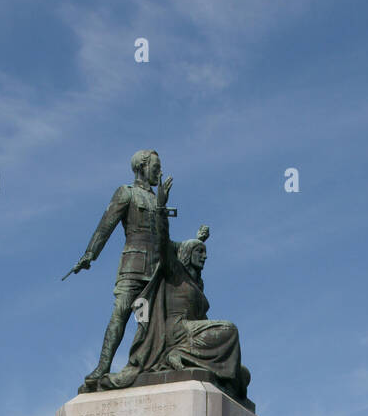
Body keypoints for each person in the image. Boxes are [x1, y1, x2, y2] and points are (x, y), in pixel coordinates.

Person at [104, 180, 250, 400]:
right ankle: (175, 353)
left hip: (190, 331)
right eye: (199, 252)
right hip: (174, 331)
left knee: (242, 373)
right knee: (230, 330)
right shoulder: (174, 271)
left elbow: (203, 319)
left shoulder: (197, 286)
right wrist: (161, 209)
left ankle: (185, 358)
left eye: (204, 252)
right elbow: (162, 241)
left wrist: (198, 239)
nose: (205, 256)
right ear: (188, 254)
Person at [69, 150, 171, 390]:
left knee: (148, 320)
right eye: (155, 167)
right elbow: (106, 226)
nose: (159, 172)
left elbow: (163, 236)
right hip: (133, 266)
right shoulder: (126, 192)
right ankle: (103, 367)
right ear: (141, 167)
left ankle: (144, 363)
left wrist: (162, 206)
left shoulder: (158, 198)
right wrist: (90, 254)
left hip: (155, 270)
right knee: (120, 313)